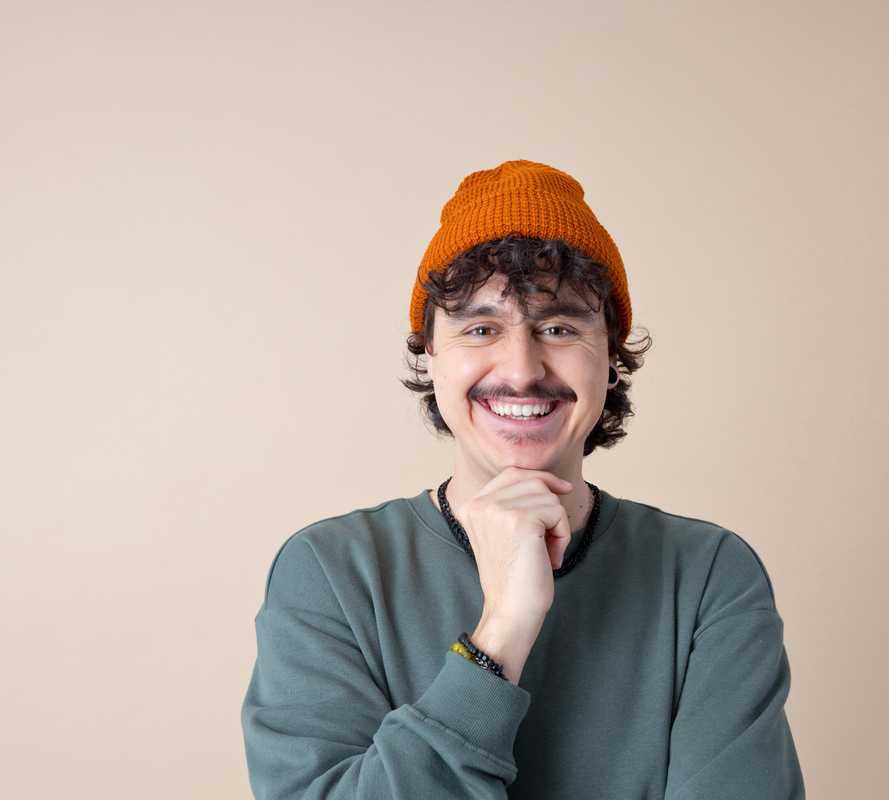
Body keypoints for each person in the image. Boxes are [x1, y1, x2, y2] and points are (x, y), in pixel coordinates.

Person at [241, 160, 804, 799]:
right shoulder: (329, 572)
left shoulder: (707, 575)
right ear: (431, 353)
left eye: (558, 328)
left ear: (610, 355)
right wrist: (503, 629)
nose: (521, 369)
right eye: (481, 328)